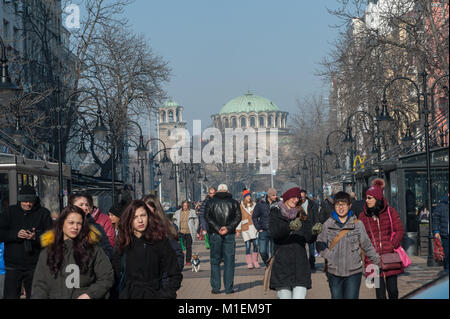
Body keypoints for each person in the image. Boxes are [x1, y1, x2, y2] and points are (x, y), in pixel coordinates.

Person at [31, 205, 114, 299]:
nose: (75, 227)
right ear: (62, 223)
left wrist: (90, 294)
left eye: (79, 223)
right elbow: (40, 285)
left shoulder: (93, 250)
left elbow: (107, 277)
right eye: (71, 223)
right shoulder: (48, 252)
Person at [112, 200, 182, 299]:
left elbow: (175, 274)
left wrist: (166, 294)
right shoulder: (123, 242)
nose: (140, 220)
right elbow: (115, 275)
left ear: (148, 216)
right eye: (135, 217)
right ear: (129, 219)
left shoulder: (159, 241)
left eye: (143, 215)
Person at [316, 191, 381, 299]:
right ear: (334, 206)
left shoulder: (358, 224)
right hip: (334, 271)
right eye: (337, 205)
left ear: (349, 205)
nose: (340, 208)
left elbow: (366, 245)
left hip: (353, 271)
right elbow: (319, 243)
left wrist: (377, 261)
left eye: (344, 204)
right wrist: (329, 255)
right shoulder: (328, 224)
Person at [0, 185, 53, 299]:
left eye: (30, 201)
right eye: (25, 201)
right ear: (20, 200)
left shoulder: (43, 213)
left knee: (36, 295)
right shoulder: (10, 212)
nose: (28, 204)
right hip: (13, 264)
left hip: (35, 264)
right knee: (10, 295)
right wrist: (15, 234)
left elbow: (51, 236)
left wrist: (36, 237)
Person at [269, 185, 322, 299]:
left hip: (300, 264)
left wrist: (314, 232)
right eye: (293, 197)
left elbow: (308, 238)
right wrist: (289, 227)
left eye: (297, 197)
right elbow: (274, 233)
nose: (296, 200)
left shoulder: (301, 214)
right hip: (282, 264)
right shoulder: (275, 212)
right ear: (286, 197)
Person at [358, 178, 405, 299]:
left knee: (393, 290)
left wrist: (392, 245)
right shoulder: (363, 216)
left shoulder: (390, 211)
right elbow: (360, 237)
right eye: (366, 198)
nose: (367, 200)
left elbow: (399, 230)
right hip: (372, 260)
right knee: (380, 293)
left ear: (377, 198)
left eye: (370, 198)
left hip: (390, 257)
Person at [204, 184, 241, 294]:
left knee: (215, 261)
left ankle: (216, 288)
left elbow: (207, 217)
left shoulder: (210, 202)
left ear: (218, 191)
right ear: (227, 190)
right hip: (229, 234)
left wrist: (217, 228)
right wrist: (228, 228)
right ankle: (229, 288)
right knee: (229, 261)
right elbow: (238, 217)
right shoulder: (233, 202)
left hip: (215, 234)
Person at [142, 195, 184, 272]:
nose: (145, 211)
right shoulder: (140, 228)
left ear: (155, 208)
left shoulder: (165, 227)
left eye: (147, 208)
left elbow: (177, 254)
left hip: (164, 277)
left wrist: (174, 277)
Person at [68, 194, 113, 259]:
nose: (85, 208)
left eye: (86, 205)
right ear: (71, 207)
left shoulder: (96, 227)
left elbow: (107, 251)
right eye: (81, 205)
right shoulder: (64, 227)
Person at [253, 188, 277, 266]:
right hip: (263, 230)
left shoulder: (278, 203)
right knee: (262, 251)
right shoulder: (261, 203)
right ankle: (268, 263)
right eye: (273, 195)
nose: (275, 197)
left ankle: (272, 267)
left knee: (274, 252)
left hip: (275, 230)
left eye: (276, 195)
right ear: (269, 195)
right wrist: (258, 228)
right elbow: (254, 216)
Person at [236, 190, 260, 269]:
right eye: (247, 196)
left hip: (254, 227)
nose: (249, 197)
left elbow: (258, 216)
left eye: (249, 196)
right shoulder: (241, 206)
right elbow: (239, 218)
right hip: (245, 227)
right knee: (248, 246)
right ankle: (249, 263)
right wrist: (238, 230)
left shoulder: (255, 205)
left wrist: (260, 226)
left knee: (256, 245)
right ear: (244, 197)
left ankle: (255, 261)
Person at [173, 201, 199, 267]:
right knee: (180, 248)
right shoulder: (177, 212)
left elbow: (196, 221)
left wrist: (195, 229)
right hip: (180, 232)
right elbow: (175, 221)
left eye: (186, 205)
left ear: (188, 206)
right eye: (184, 205)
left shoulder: (192, 212)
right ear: (182, 205)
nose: (185, 207)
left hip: (189, 232)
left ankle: (188, 261)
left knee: (188, 247)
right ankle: (180, 260)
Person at [300, 189, 320, 272]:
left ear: (306, 195)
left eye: (303, 196)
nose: (301, 198)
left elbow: (316, 216)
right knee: (302, 248)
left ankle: (312, 264)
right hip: (301, 228)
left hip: (310, 227)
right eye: (300, 196)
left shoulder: (312, 204)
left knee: (311, 248)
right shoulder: (297, 205)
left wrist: (316, 226)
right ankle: (303, 264)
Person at [433, 193, 449, 274]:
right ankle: (447, 271)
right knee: (446, 253)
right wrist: (436, 231)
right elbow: (436, 218)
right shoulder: (442, 204)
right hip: (446, 234)